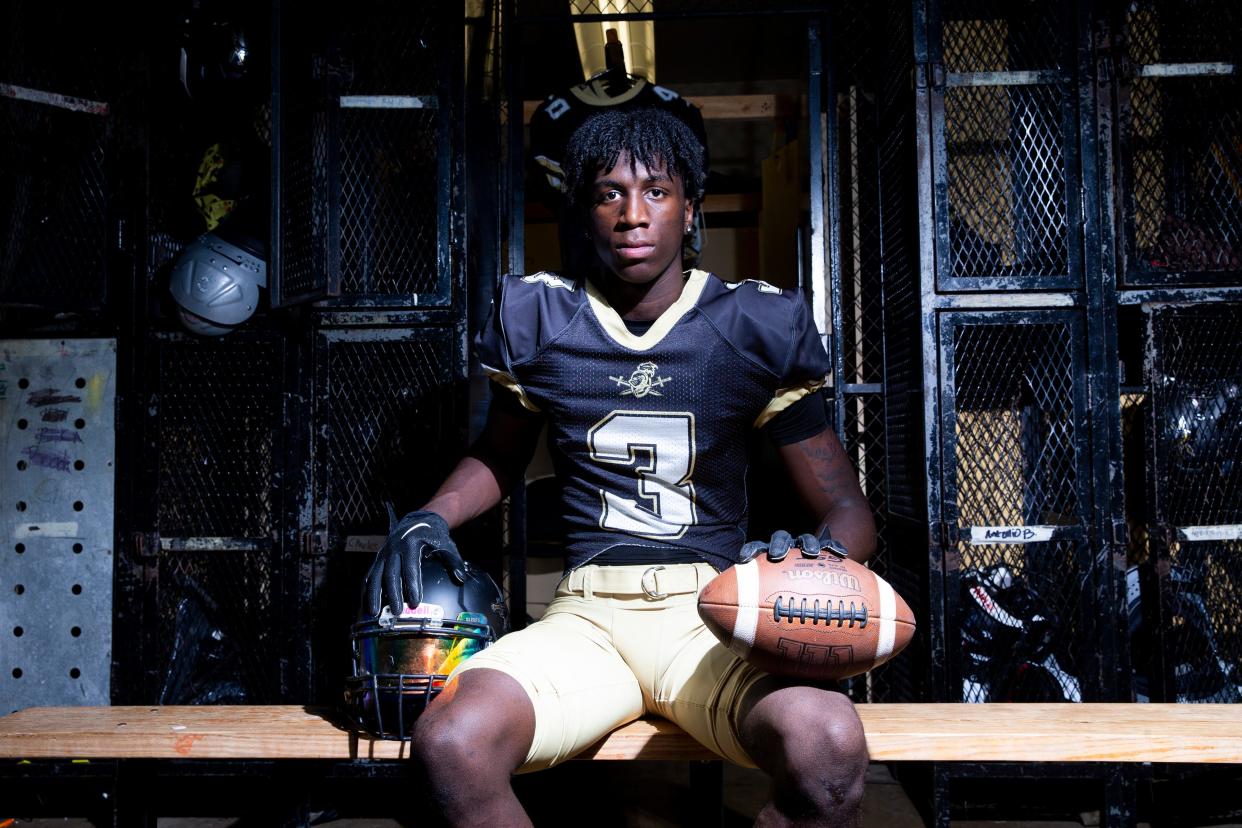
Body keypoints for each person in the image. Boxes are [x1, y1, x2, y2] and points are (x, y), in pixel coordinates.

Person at [364, 107, 876, 827]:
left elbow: (849, 510)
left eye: (656, 191)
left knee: (826, 745)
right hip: (588, 620)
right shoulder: (543, 318)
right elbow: (498, 456)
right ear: (585, 210)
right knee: (452, 742)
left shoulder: (752, 326)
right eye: (609, 193)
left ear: (690, 207)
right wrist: (430, 515)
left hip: (715, 618)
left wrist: (820, 560)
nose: (633, 215)